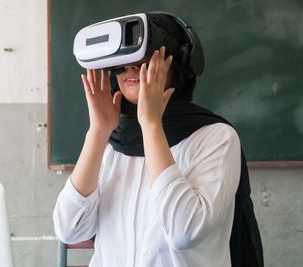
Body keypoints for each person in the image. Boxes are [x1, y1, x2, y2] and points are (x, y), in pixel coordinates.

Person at [53, 12, 263, 267]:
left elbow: (184, 230)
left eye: (143, 58)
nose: (129, 67)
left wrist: (151, 125)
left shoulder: (216, 137)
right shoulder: (111, 142)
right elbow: (69, 229)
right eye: (121, 62)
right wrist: (97, 132)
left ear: (180, 64)